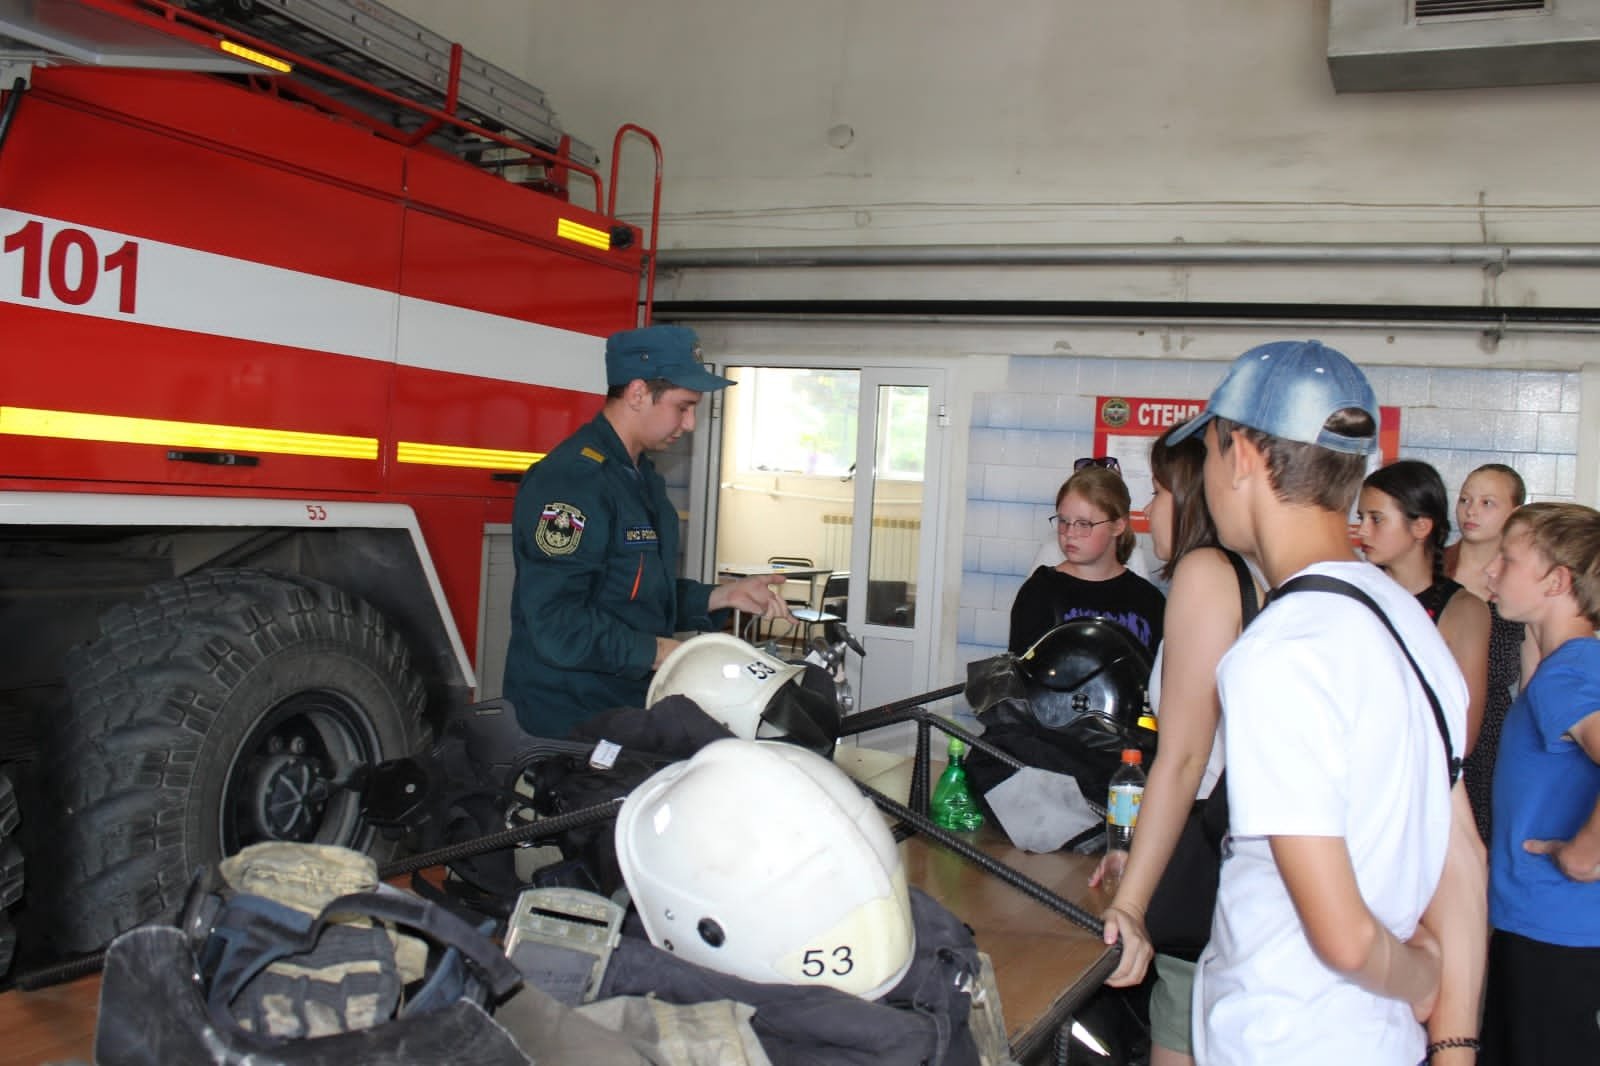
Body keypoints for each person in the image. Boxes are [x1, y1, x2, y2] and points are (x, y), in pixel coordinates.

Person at [1169, 340, 1483, 1066]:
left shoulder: (1281, 652)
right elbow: (1459, 854)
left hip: (1286, 1037)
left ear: (1241, 456)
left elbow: (1343, 937)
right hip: (1381, 1046)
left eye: (1209, 456)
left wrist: (1423, 978)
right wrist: (1456, 1045)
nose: (1207, 480)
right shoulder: (1409, 620)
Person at [503, 325, 793, 736]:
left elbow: (632, 595)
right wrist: (664, 654)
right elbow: (558, 625)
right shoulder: (573, 482)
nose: (690, 423)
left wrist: (721, 595)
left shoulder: (640, 479)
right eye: (683, 406)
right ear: (638, 393)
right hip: (570, 721)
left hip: (623, 704)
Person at [1095, 426, 1262, 1066]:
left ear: (1195, 496)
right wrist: (1142, 858)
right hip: (1233, 850)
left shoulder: (1207, 572)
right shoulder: (1253, 575)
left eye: (1160, 491)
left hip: (1211, 858)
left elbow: (1188, 758)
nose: (1148, 510)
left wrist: (1135, 898)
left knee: (1180, 1027)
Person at [1480, 502, 1600, 1066]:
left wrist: (1585, 853)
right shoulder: (1565, 665)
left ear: (1557, 580)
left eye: (1507, 560)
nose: (1491, 572)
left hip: (1556, 933)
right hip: (1544, 928)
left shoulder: (1572, 671)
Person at [1358, 460, 1491, 752]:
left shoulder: (1464, 611)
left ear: (1421, 526)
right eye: (1361, 517)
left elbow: (1463, 735)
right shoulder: (1354, 596)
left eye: (1376, 519)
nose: (1363, 531)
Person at [1446, 463, 1530, 843]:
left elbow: (1532, 677)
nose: (1470, 511)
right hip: (1430, 724)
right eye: (1465, 500)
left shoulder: (1523, 586)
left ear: (1514, 513)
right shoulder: (1433, 568)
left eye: (1487, 503)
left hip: (1493, 739)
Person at [1008, 463, 1165, 656]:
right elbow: (1019, 677)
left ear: (1118, 526)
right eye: (1063, 521)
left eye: (1084, 524)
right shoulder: (1039, 592)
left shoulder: (1149, 601)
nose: (1069, 533)